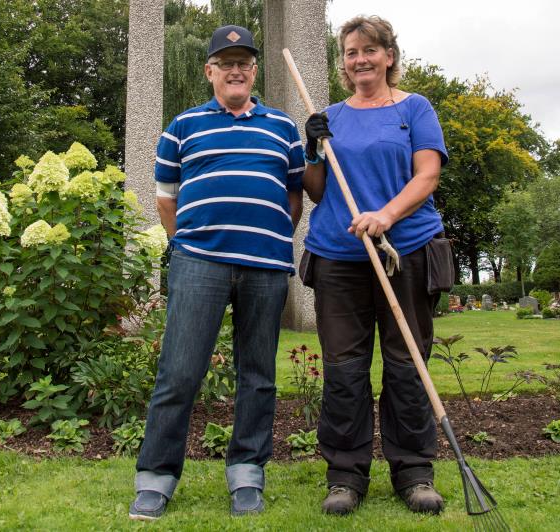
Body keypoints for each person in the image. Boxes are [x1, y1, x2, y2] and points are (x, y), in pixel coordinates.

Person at [128, 24, 304, 521]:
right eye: (225, 62)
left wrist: (268, 235)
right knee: (179, 372)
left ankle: (247, 475)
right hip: (198, 263)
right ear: (210, 72)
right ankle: (156, 479)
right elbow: (167, 199)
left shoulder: (284, 128)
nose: (235, 69)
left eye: (243, 62)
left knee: (259, 375)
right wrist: (185, 244)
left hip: (265, 267)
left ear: (253, 71)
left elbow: (294, 195)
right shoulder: (180, 127)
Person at [299, 15, 452, 516]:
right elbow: (319, 191)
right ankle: (345, 476)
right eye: (350, 52)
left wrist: (385, 216)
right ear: (342, 62)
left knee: (407, 364)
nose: (359, 59)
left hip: (404, 250)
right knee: (344, 369)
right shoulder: (331, 116)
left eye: (369, 50)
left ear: (388, 55)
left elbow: (427, 175)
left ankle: (414, 472)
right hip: (339, 257)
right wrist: (312, 149)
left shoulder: (414, 109)